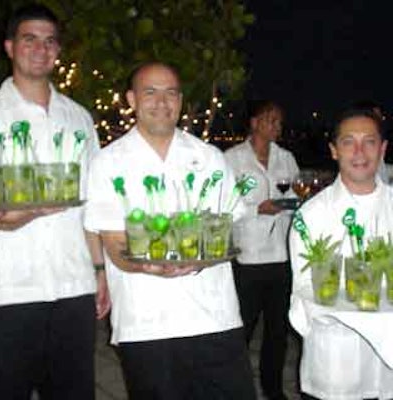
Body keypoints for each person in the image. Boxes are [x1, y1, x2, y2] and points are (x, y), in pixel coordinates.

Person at [84, 61, 257, 400]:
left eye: (171, 93)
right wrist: (146, 265)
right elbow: (115, 243)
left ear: (181, 101)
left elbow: (228, 229)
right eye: (150, 92)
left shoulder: (208, 157)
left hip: (215, 318)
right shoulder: (108, 163)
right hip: (146, 324)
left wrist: (203, 259)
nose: (161, 102)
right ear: (132, 99)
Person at [0, 4, 110, 400]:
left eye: (49, 41)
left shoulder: (79, 118)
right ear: (9, 47)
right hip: (6, 288)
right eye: (30, 39)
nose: (41, 49)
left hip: (72, 286)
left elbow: (93, 205)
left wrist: (99, 270)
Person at [289, 107, 393, 399]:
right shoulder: (311, 215)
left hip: (388, 374)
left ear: (383, 149)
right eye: (349, 141)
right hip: (336, 367)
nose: (359, 151)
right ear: (334, 151)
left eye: (369, 141)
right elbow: (303, 291)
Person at [225, 100, 299, 400]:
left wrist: (290, 204)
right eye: (271, 120)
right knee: (240, 329)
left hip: (281, 257)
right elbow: (225, 205)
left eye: (279, 122)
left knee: (278, 333)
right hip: (248, 256)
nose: (276, 127)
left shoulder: (287, 158)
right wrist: (257, 208)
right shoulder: (232, 159)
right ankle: (232, 388)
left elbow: (295, 193)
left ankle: (273, 389)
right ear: (255, 123)